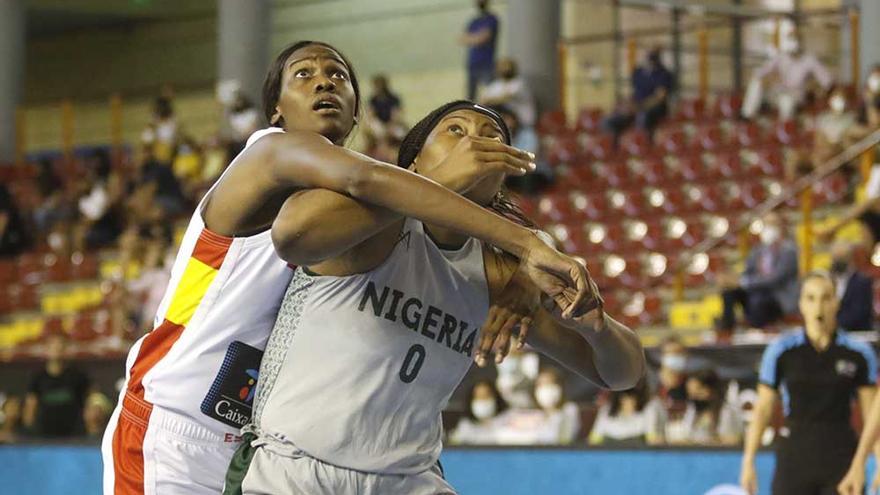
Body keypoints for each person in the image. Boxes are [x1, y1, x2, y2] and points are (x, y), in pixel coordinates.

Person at [103, 41, 586, 495]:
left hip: (257, 443)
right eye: (304, 74)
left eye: (338, 74)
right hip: (173, 421)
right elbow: (371, 177)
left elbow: (453, 216)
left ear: (357, 110)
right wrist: (524, 241)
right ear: (277, 108)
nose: (324, 82)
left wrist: (526, 268)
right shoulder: (270, 150)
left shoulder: (362, 208)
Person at [225, 101, 645, 494]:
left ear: (502, 181)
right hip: (295, 471)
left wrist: (598, 328)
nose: (474, 143)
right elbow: (294, 236)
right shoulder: (374, 226)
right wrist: (443, 184)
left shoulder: (499, 275)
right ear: (411, 164)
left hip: (407, 478)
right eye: (455, 131)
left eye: (491, 136)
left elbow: (621, 374)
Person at [740, 271, 878, 495]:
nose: (818, 307)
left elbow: (873, 413)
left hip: (841, 457)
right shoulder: (781, 350)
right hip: (795, 456)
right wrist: (748, 460)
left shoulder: (859, 353)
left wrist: (877, 461)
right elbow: (763, 409)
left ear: (837, 302)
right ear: (801, 304)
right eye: (811, 298)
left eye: (826, 297)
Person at [717, 211, 800, 335]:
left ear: (781, 227)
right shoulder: (758, 250)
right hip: (756, 292)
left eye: (773, 224)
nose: (769, 228)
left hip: (777, 297)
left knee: (758, 299)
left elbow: (774, 280)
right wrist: (733, 279)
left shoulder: (789, 250)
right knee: (729, 292)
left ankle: (758, 329)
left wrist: (742, 282)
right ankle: (727, 329)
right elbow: (747, 272)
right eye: (766, 224)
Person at [741, 29, 832, 121]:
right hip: (777, 92)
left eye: (796, 39)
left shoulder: (809, 60)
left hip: (795, 95)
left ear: (801, 42)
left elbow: (827, 81)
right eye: (791, 39)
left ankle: (785, 128)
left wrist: (814, 86)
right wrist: (768, 77)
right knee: (756, 82)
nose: (794, 42)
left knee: (786, 101)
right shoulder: (781, 56)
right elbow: (760, 72)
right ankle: (746, 116)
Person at [23, 333, 91, 438]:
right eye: (53, 346)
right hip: (44, 436)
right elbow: (31, 406)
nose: (57, 349)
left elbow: (89, 403)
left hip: (73, 436)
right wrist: (28, 433)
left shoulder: (78, 376)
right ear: (46, 350)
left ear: (66, 350)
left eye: (61, 346)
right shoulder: (37, 377)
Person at [602, 47, 675, 144]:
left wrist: (641, 107)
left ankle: (641, 146)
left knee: (642, 116)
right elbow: (632, 93)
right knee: (608, 121)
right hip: (635, 106)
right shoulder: (638, 72)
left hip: (654, 109)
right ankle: (615, 149)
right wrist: (627, 105)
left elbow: (660, 97)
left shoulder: (664, 74)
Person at [666, 369, 742, 446]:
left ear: (711, 390)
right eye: (690, 393)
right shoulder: (692, 410)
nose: (693, 397)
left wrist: (709, 442)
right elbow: (688, 435)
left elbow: (733, 441)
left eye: (698, 392)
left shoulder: (727, 413)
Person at [589, 382, 663, 446]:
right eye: (625, 399)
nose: (628, 403)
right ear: (620, 400)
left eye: (632, 399)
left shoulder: (648, 411)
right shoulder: (606, 411)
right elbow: (594, 440)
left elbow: (651, 438)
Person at [829, 241, 874, 332]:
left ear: (849, 258)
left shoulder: (862, 282)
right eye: (836, 257)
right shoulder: (826, 280)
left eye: (842, 258)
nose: (838, 261)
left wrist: (833, 325)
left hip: (856, 334)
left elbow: (858, 313)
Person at [449, 380, 509, 445]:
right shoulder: (465, 426)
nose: (482, 400)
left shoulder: (507, 420)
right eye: (478, 396)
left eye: (485, 396)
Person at [460, 0, 499, 99]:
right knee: (470, 96)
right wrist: (477, 38)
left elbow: (484, 37)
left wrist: (473, 38)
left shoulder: (492, 19)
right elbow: (462, 39)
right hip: (473, 63)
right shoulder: (474, 21)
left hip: (487, 63)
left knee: (492, 93)